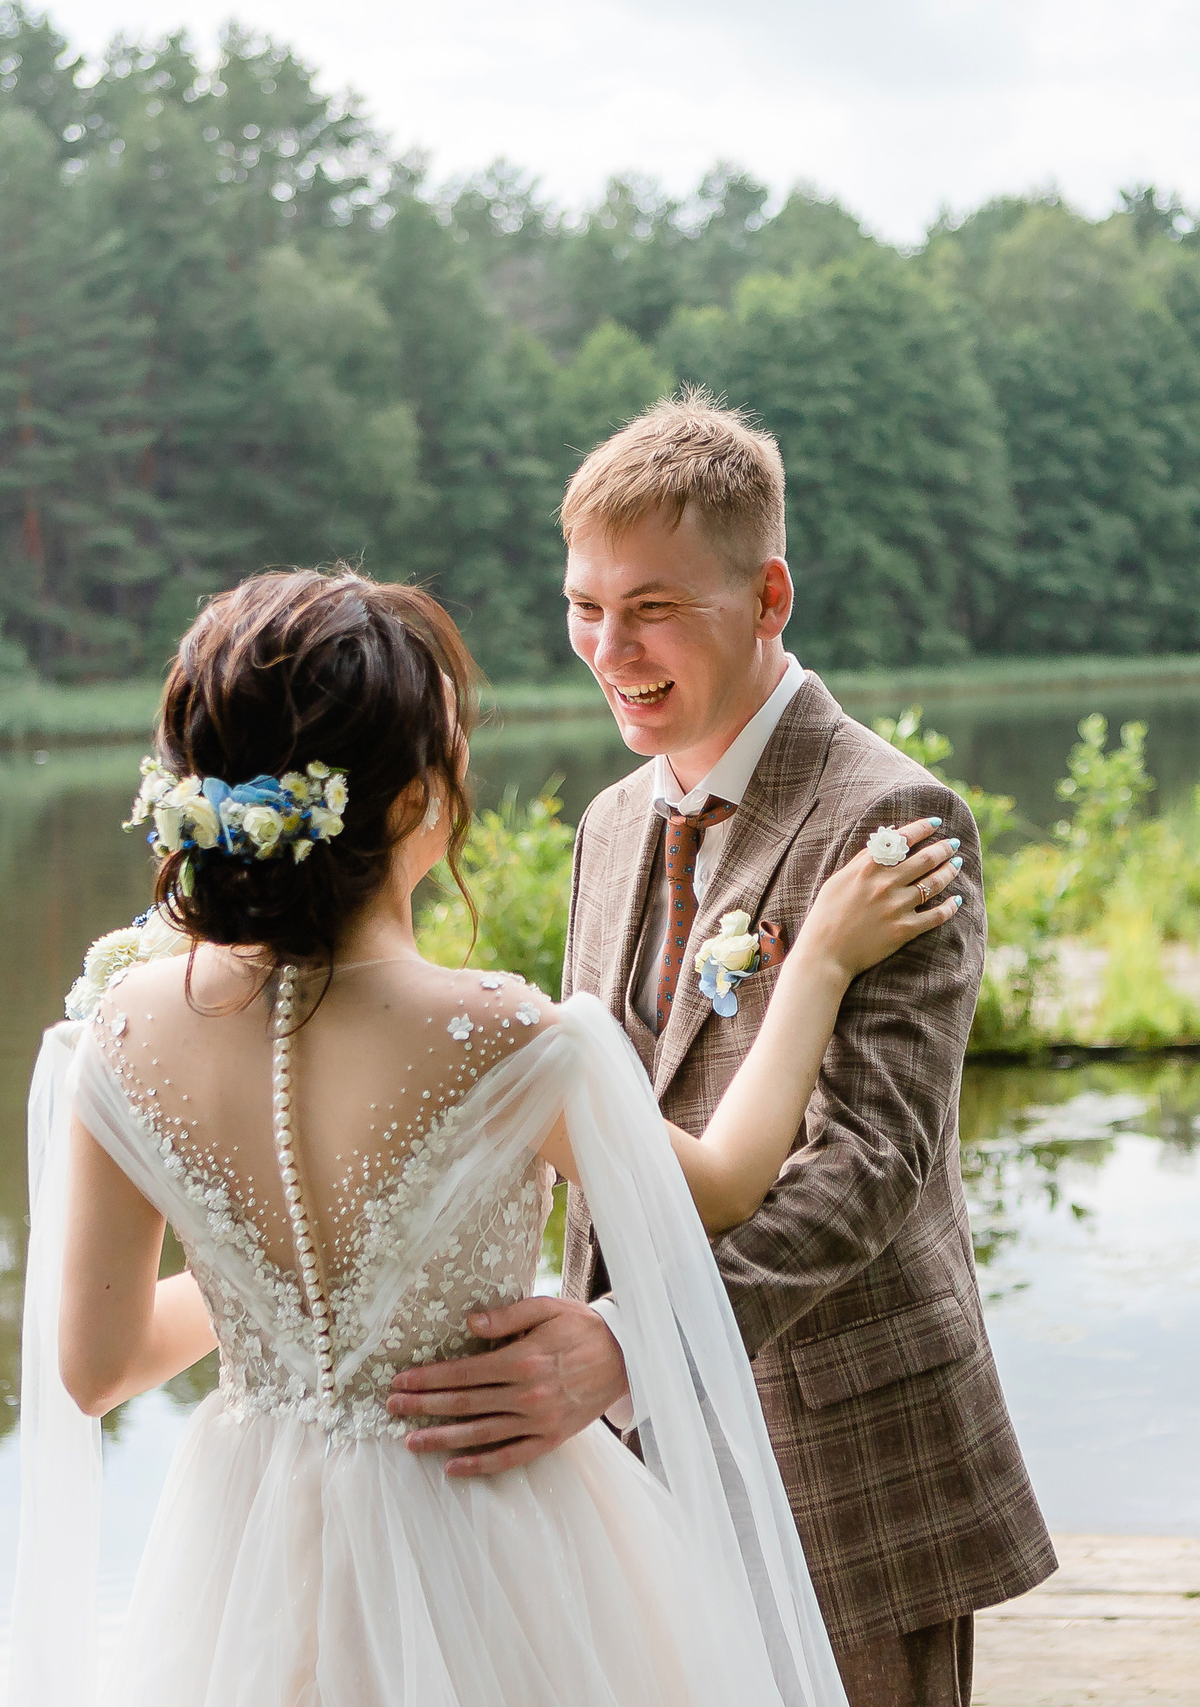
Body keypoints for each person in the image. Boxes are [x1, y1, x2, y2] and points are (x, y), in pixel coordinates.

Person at [10, 566, 967, 1705]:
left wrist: (289, 1296)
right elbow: (717, 1186)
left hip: (249, 1544)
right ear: (418, 800)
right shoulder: (499, 1035)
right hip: (483, 1514)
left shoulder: (117, 1033)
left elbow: (97, 1364)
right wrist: (814, 964)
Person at [386, 394, 1056, 1707]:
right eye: (584, 604)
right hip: (632, 1460)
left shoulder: (893, 816)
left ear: (769, 595)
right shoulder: (609, 823)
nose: (606, 645)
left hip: (844, 1445)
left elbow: (869, 1161)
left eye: (652, 606)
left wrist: (631, 1346)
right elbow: (600, 1122)